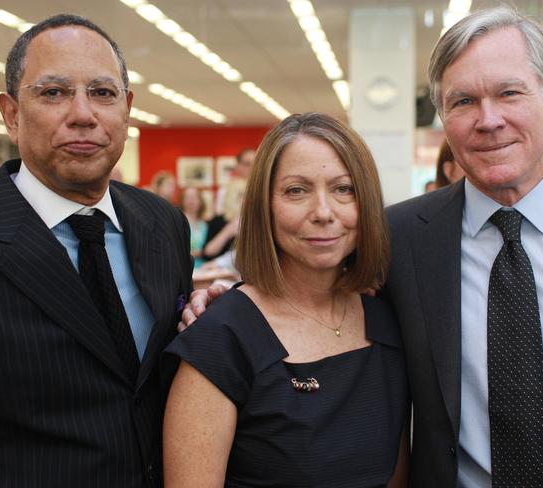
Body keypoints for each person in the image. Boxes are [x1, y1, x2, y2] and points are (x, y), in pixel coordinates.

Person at [184, 7, 543, 488]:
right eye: (462, 102)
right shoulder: (398, 239)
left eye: (509, 93)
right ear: (443, 119)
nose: (488, 119)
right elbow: (310, 283)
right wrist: (225, 296)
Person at [0, 14, 193, 487]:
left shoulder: (164, 223)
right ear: (12, 114)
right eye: (53, 93)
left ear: (127, 109)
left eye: (102, 93)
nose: (83, 114)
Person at [164, 112, 410, 487]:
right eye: (297, 190)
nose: (324, 213)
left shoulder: (387, 320)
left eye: (344, 189)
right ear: (265, 206)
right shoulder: (221, 338)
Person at [179, 185, 209, 269]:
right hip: (185, 269)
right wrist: (203, 252)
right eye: (187, 197)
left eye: (194, 196)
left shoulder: (204, 224)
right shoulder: (179, 222)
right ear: (182, 200)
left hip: (204, 268)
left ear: (200, 201)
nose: (191, 200)